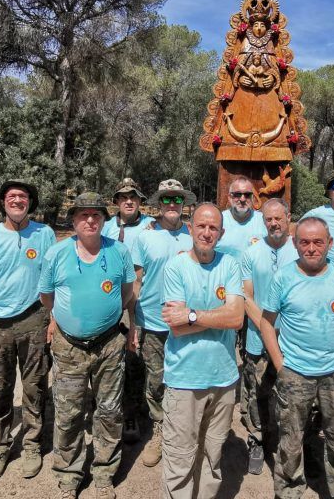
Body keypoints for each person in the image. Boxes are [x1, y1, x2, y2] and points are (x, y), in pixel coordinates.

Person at [39, 192, 136, 499]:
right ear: (74, 220)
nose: (90, 220)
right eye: (84, 215)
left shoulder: (119, 252)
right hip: (69, 347)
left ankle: (104, 472)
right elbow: (46, 297)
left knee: (109, 412)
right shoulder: (57, 254)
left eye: (96, 215)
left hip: (109, 345)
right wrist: (63, 319)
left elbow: (126, 292)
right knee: (68, 414)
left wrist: (105, 317)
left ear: (104, 220)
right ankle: (69, 475)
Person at [261, 217, 334, 499]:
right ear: (295, 244)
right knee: (291, 440)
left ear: (329, 243)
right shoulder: (283, 277)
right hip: (295, 372)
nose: (312, 248)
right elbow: (267, 322)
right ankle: (290, 490)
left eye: (318, 242)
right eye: (304, 242)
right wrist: (281, 366)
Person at [0, 180, 56, 482]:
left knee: (35, 387)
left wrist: (53, 319)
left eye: (23, 196)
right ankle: (0, 447)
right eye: (11, 196)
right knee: (0, 389)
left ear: (31, 202)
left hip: (35, 319)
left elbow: (54, 280)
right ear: (2, 202)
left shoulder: (45, 234)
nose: (17, 200)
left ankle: (31, 445)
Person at [159, 203, 245, 499]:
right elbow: (175, 326)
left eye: (213, 228)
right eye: (201, 226)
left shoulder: (230, 265)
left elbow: (236, 319)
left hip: (223, 379)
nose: (207, 233)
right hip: (184, 379)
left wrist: (193, 315)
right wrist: (217, 316)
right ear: (189, 228)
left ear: (221, 233)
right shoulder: (176, 267)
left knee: (213, 457)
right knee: (180, 458)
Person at [122, 179, 195, 466]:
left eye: (177, 199)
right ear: (158, 205)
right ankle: (159, 428)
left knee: (184, 377)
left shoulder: (193, 236)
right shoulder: (145, 237)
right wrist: (132, 322)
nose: (172, 204)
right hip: (151, 320)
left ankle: (181, 428)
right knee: (154, 379)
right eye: (166, 200)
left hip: (187, 322)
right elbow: (136, 281)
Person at [238, 198, 299, 475]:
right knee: (257, 392)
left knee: (293, 396)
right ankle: (258, 439)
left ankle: (293, 445)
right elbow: (246, 296)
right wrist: (266, 326)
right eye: (268, 220)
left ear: (288, 217)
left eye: (278, 218)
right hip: (257, 338)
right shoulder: (251, 253)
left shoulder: (301, 249)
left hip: (294, 340)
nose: (273, 223)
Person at [214, 176, 266, 258]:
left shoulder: (264, 221)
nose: (242, 199)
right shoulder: (218, 220)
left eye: (247, 195)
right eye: (237, 194)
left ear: (252, 198)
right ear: (230, 198)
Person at [102, 177, 155, 248]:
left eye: (133, 197)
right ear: (117, 202)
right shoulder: (106, 226)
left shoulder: (150, 224)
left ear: (139, 201)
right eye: (124, 198)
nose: (129, 202)